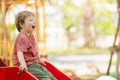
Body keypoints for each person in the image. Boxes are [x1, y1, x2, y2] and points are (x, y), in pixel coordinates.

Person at [13, 11, 56, 80]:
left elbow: (34, 49)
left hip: (33, 64)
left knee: (50, 76)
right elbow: (20, 52)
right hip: (27, 65)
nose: (34, 22)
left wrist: (39, 59)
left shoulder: (31, 36)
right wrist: (23, 64)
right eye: (31, 20)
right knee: (45, 78)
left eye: (34, 20)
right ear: (21, 24)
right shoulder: (22, 37)